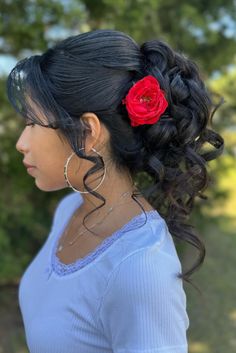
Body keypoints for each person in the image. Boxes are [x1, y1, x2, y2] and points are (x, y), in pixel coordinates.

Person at [7, 29, 224, 353]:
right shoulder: (71, 208)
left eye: (33, 123)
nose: (21, 144)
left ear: (88, 132)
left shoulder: (141, 270)